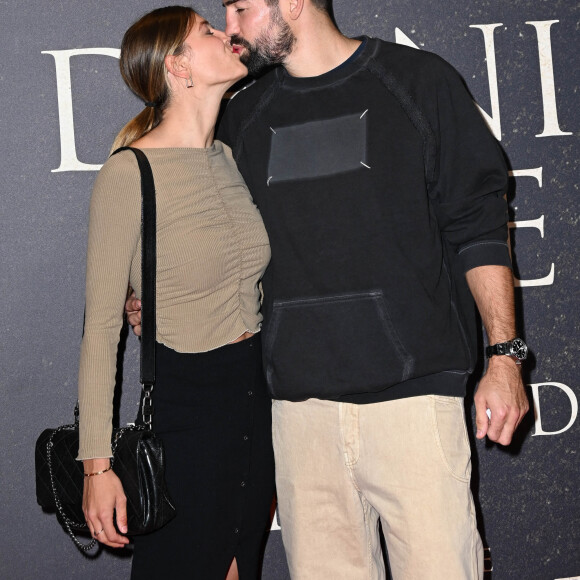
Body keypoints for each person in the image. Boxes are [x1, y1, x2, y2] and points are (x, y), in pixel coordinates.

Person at [127, 0, 530, 577]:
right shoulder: (242, 118)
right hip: (298, 418)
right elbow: (214, 239)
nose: (230, 28)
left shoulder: (418, 82)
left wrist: (505, 356)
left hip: (413, 405)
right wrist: (162, 295)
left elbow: (479, 226)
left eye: (240, 8)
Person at [78, 6, 275, 579]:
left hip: (254, 401)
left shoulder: (230, 159)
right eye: (208, 33)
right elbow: (101, 332)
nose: (226, 34)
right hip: (185, 412)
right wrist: (97, 468)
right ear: (177, 66)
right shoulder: (129, 173)